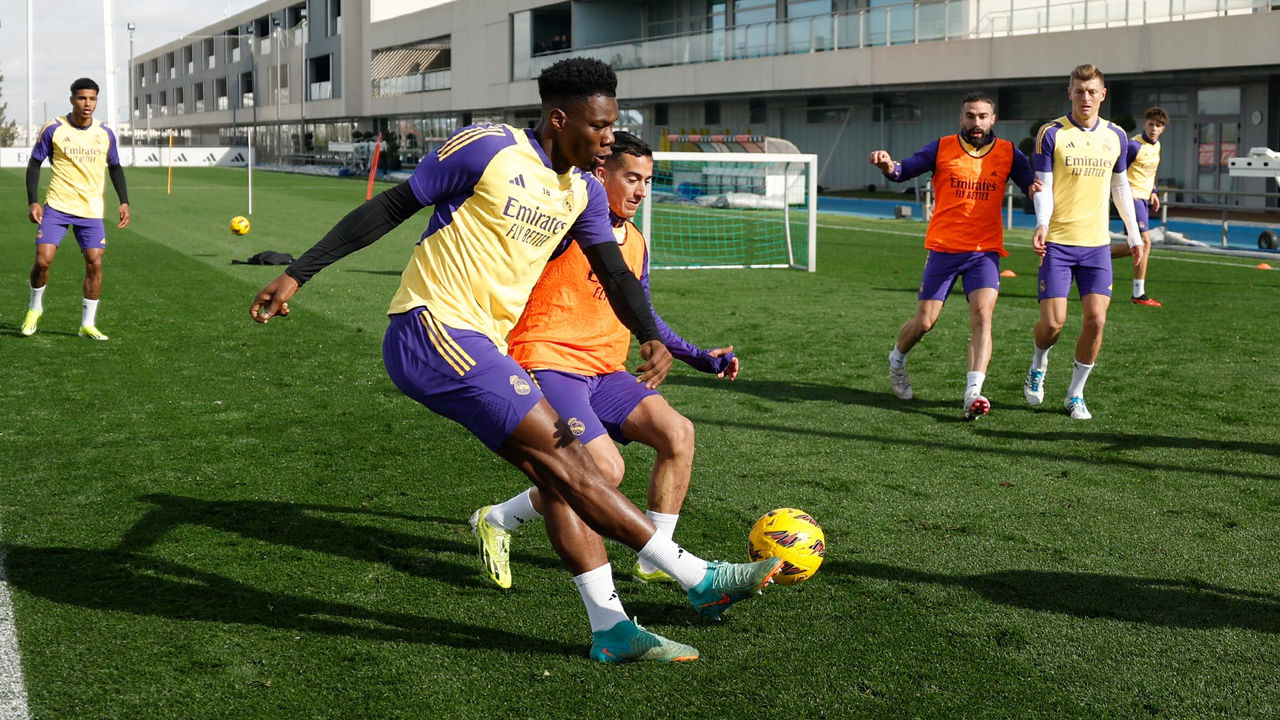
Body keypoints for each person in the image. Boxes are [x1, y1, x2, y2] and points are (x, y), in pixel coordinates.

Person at [248, 58, 780, 664]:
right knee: (568, 458)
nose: (608, 140)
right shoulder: (489, 149)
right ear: (560, 119)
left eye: (613, 127)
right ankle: (700, 579)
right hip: (431, 327)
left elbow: (616, 273)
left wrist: (650, 336)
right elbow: (391, 208)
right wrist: (298, 272)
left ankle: (611, 629)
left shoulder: (582, 192)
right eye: (600, 126)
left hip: (480, 344)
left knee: (564, 473)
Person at [469, 132, 739, 590]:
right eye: (632, 178)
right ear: (600, 175)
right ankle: (497, 519)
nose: (641, 190)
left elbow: (643, 313)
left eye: (648, 181)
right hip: (549, 362)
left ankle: (655, 561)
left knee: (678, 433)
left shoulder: (635, 241)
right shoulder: (561, 227)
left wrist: (697, 357)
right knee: (606, 471)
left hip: (607, 372)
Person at [870, 91, 1037, 420]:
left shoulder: (1008, 153)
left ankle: (973, 393)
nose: (977, 122)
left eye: (983, 116)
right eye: (970, 116)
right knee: (925, 322)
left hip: (984, 252)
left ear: (993, 119)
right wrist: (888, 165)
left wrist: (1038, 189)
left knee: (983, 316)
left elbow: (1032, 183)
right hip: (945, 249)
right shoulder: (941, 147)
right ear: (962, 118)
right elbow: (903, 170)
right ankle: (897, 361)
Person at [1024, 64, 1144, 420]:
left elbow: (1120, 187)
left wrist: (1134, 235)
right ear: (1070, 93)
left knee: (1096, 320)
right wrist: (1042, 224)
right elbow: (1042, 186)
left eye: (1092, 91)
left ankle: (1075, 394)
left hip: (1096, 246)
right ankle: (1038, 363)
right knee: (1054, 324)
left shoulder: (1116, 136)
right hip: (1058, 244)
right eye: (1079, 91)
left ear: (1103, 94)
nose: (1086, 97)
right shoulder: (1051, 133)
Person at [22, 77, 130, 340]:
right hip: (57, 206)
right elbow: (35, 163)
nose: (87, 104)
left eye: (92, 99)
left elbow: (115, 166)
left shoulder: (105, 133)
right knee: (43, 260)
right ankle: (34, 308)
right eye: (82, 98)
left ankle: (87, 324)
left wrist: (124, 200)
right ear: (72, 99)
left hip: (91, 210)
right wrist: (33, 201)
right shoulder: (54, 129)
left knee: (95, 263)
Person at [1110, 106, 1169, 307]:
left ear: (1163, 129)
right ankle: (1138, 293)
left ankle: (1094, 255)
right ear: (1145, 124)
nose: (1154, 128)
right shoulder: (1134, 145)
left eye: (1158, 126)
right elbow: (1117, 171)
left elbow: (1150, 172)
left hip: (1144, 198)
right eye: (1151, 124)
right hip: (1131, 197)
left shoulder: (1157, 146)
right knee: (1144, 243)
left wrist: (1153, 192)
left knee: (1135, 247)